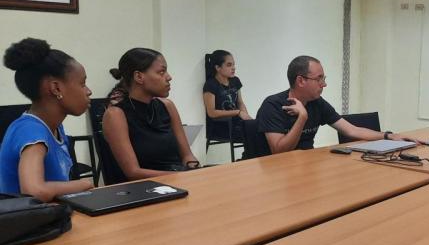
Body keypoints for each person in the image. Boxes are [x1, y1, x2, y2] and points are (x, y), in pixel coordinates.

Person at [256, 55, 414, 154]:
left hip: (304, 165)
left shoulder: (317, 103)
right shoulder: (273, 106)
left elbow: (351, 130)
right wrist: (302, 117)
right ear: (301, 80)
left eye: (324, 79)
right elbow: (279, 151)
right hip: (274, 173)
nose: (324, 84)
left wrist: (389, 136)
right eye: (319, 79)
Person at [0, 38, 93, 201]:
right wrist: (84, 184)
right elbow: (33, 190)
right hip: (26, 224)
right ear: (56, 88)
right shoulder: (31, 131)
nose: (88, 91)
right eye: (82, 83)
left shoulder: (54, 127)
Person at [103, 48, 199, 180]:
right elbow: (133, 172)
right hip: (145, 190)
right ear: (139, 77)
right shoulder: (116, 115)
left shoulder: (167, 106)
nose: (169, 77)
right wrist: (181, 176)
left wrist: (195, 170)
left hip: (178, 179)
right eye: (161, 72)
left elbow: (187, 155)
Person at [203, 50, 252, 142]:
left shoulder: (235, 81)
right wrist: (237, 112)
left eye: (233, 64)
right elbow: (211, 112)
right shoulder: (210, 85)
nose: (233, 68)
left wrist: (246, 118)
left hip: (236, 123)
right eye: (229, 65)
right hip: (221, 126)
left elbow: (240, 102)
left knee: (259, 129)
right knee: (254, 135)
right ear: (218, 67)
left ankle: (247, 155)